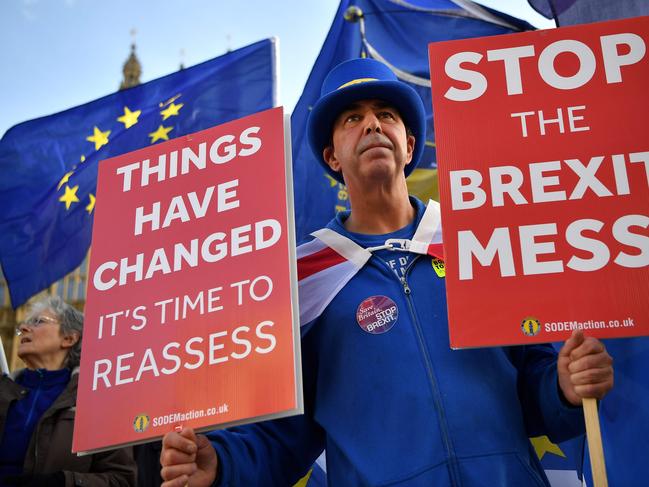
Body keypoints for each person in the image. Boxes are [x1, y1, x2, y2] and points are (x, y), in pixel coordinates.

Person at [159, 58, 614, 487]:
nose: (372, 124)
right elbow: (283, 436)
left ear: (410, 144)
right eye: (351, 119)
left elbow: (532, 390)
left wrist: (564, 388)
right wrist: (222, 464)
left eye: (386, 114)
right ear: (331, 157)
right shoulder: (298, 281)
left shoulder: (479, 244)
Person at [0, 296, 136, 487]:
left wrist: (64, 482)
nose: (23, 328)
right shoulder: (4, 392)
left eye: (38, 321)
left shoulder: (98, 402)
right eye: (22, 325)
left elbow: (121, 479)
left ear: (69, 338)